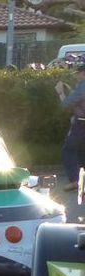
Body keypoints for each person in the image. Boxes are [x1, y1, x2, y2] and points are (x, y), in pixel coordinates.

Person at [55, 62, 85, 190]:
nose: (76, 76)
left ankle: (74, 180)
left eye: (77, 73)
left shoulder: (82, 86)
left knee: (69, 150)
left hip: (81, 122)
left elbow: (66, 104)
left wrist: (60, 92)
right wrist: (72, 91)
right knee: (81, 152)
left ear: (83, 73)